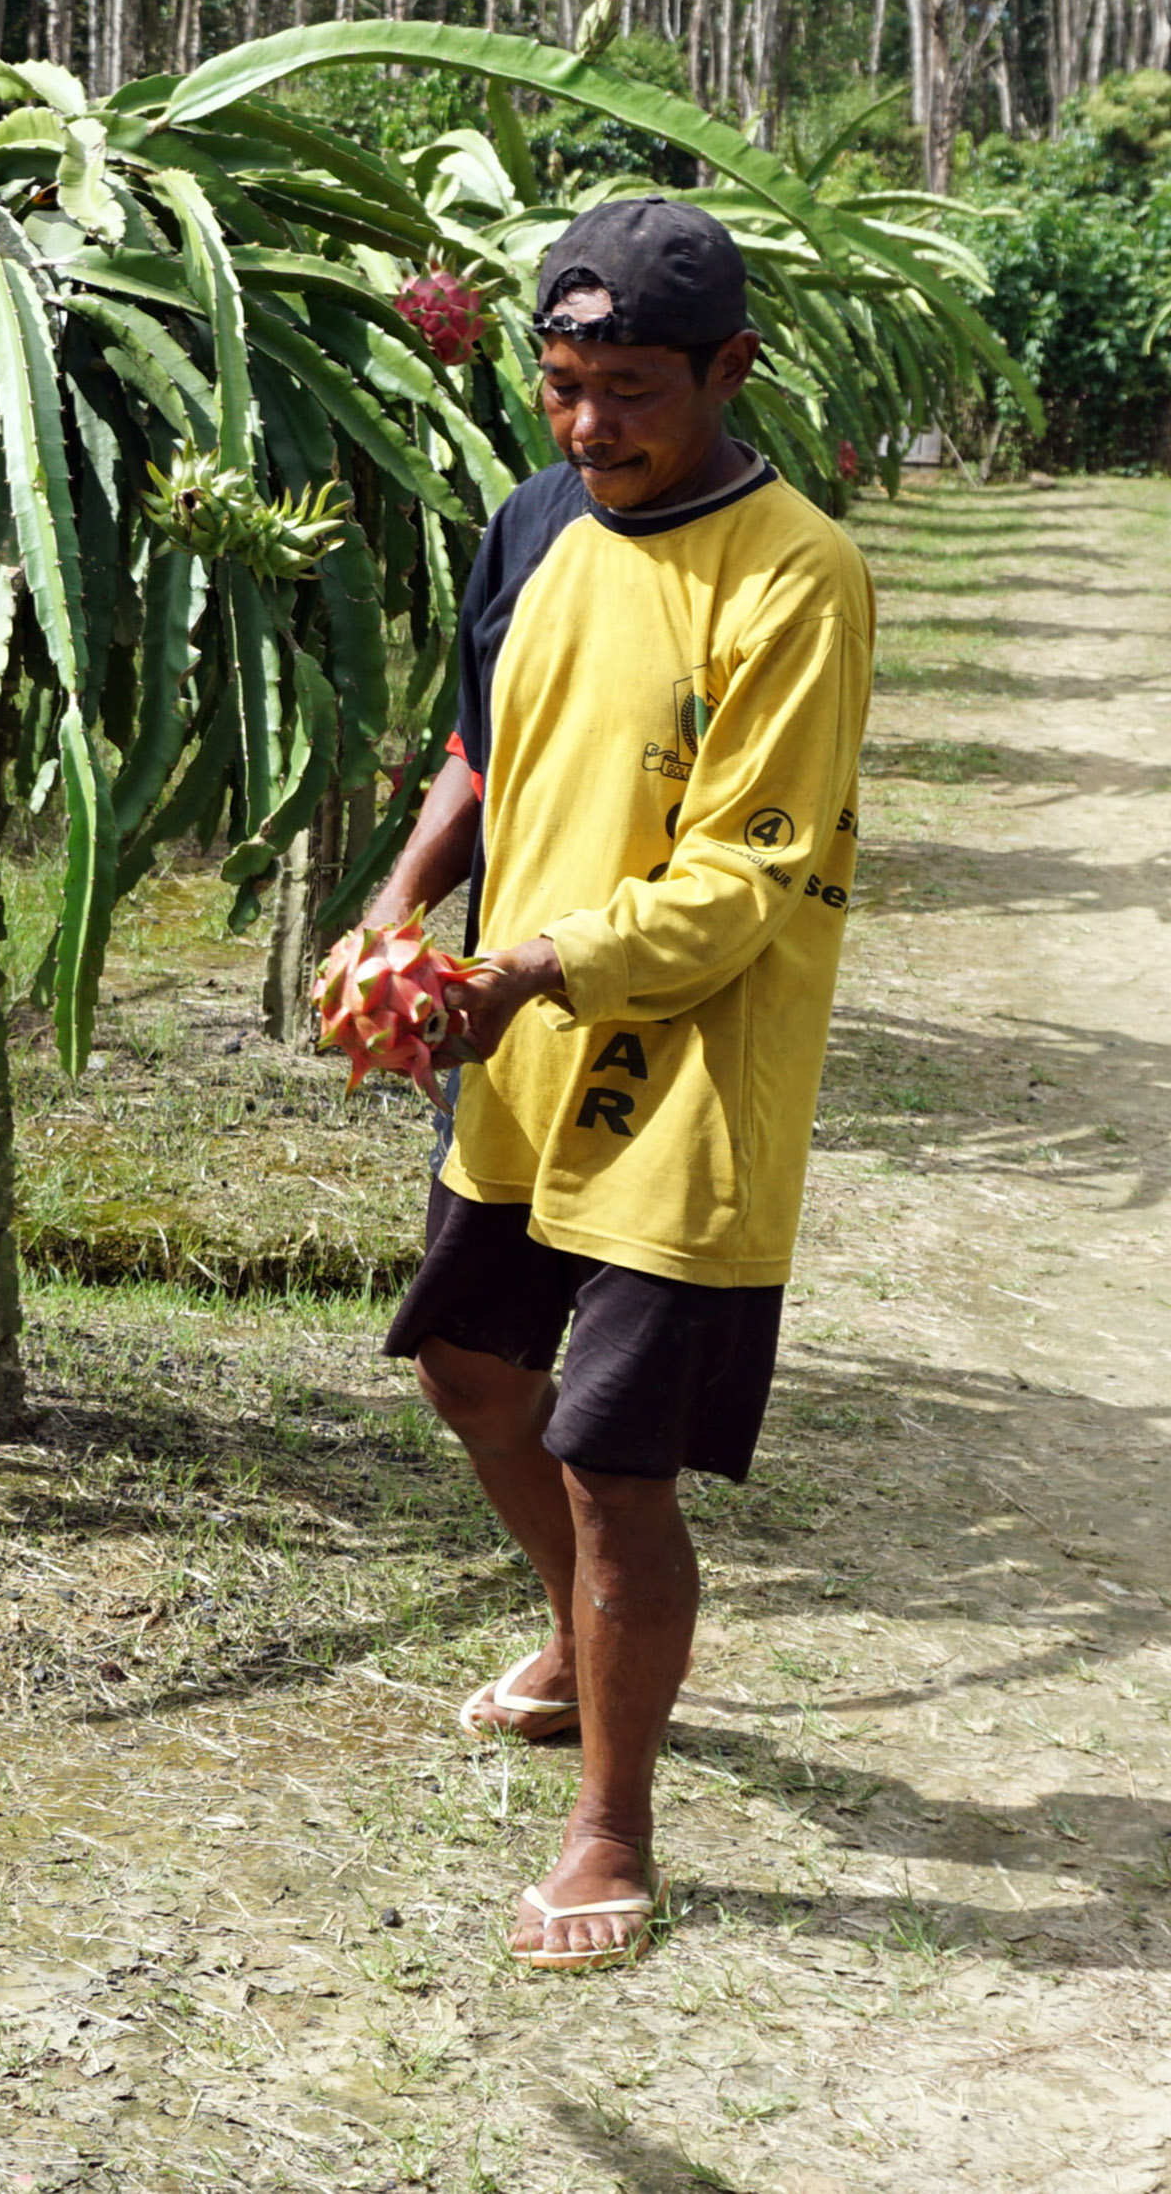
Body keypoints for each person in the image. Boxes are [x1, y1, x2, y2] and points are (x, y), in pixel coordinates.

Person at [354, 195, 874, 1972]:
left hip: (689, 1068)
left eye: (634, 390)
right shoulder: (534, 518)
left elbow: (753, 871)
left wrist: (528, 968)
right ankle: (578, 1646)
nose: (592, 428)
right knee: (469, 1371)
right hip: (517, 1037)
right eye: (565, 386)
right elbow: (485, 744)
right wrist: (402, 904)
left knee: (609, 1457)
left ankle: (612, 1828)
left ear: (729, 370)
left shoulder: (798, 572)